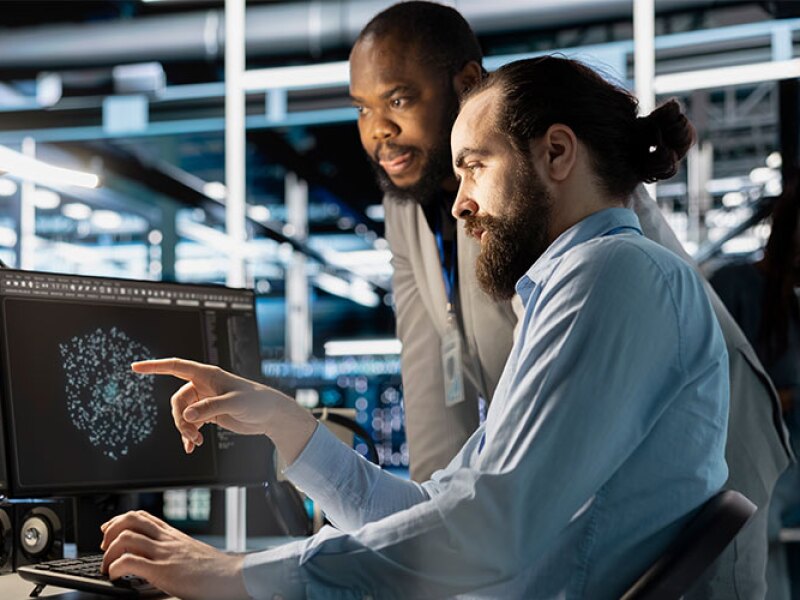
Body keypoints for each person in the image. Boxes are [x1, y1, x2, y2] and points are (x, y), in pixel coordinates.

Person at [100, 56, 729, 599]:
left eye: (475, 166)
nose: (459, 202)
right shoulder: (581, 284)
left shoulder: (613, 275)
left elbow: (489, 527)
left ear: (557, 153)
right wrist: (285, 423)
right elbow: (437, 511)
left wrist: (237, 575)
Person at [350, 3, 791, 597]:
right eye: (362, 110)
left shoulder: (541, 186)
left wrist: (450, 540)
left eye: (399, 100)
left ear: (467, 85)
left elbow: (576, 346)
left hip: (702, 438)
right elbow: (435, 376)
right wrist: (430, 540)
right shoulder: (410, 214)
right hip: (583, 460)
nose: (378, 129)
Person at [710, 185, 800, 600]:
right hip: (750, 471)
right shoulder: (736, 287)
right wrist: (777, 399)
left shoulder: (790, 307)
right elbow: (716, 384)